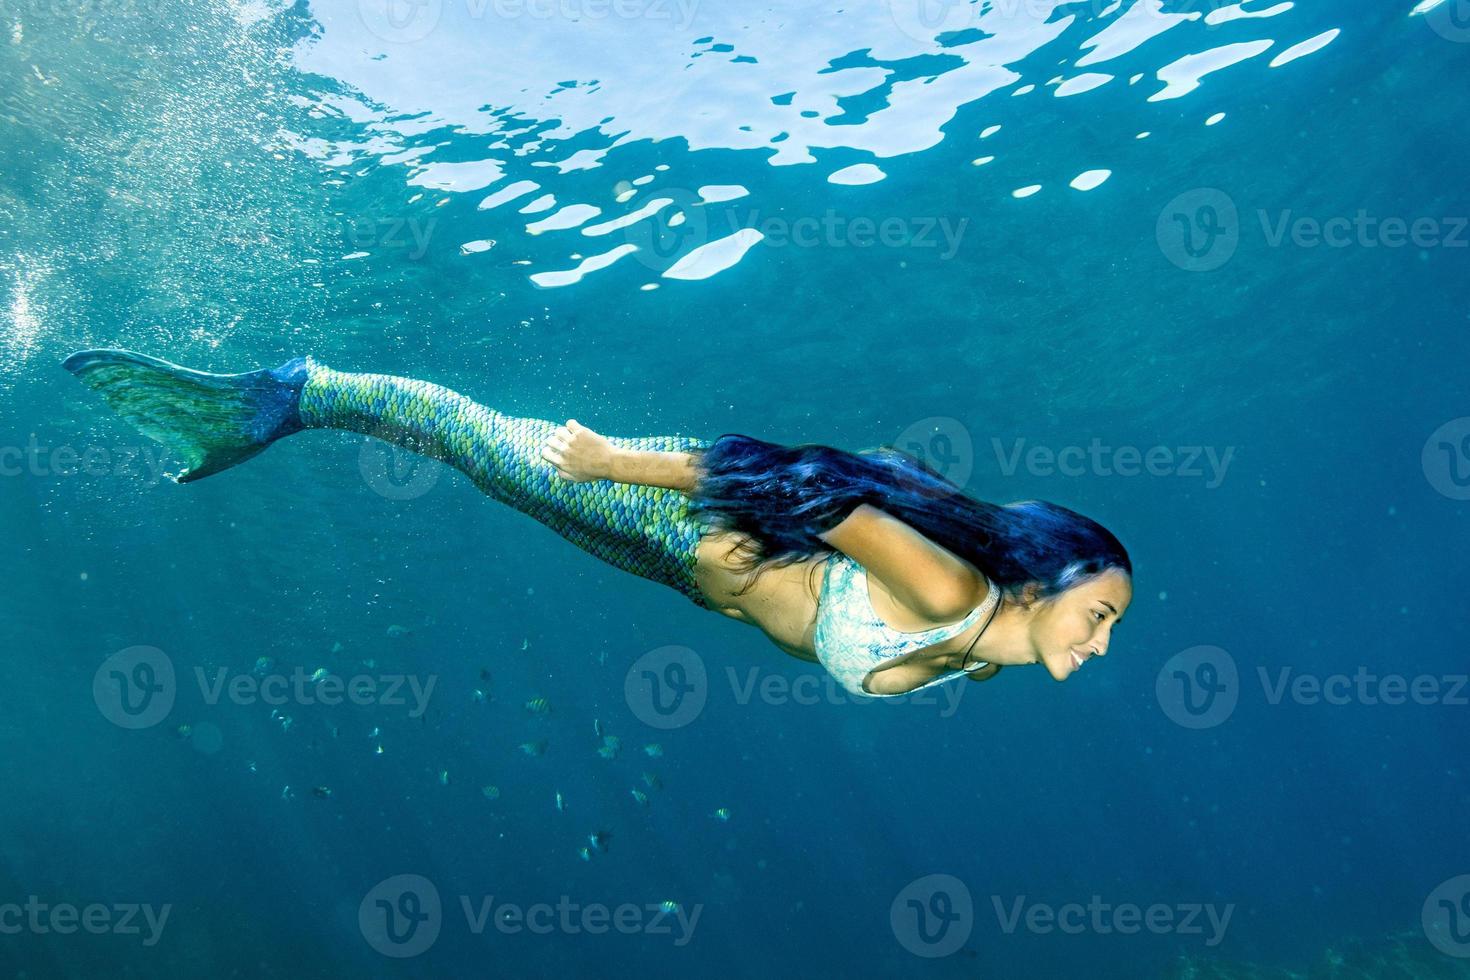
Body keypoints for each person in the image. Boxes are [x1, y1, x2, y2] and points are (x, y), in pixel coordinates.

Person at [62, 348, 1132, 700]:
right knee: (479, 442)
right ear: (1044, 579)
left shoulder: (982, 656)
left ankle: (277, 409)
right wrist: (620, 463)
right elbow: (817, 485)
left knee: (486, 474)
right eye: (1100, 611)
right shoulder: (952, 598)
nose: (1103, 637)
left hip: (681, 570)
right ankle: (286, 394)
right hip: (675, 505)